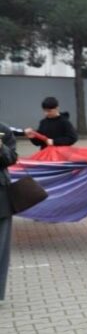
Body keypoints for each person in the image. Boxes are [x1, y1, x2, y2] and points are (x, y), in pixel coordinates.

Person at [0, 114, 17, 302]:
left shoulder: (4, 130)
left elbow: (12, 158)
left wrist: (1, 148)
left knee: (1, 247)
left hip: (1, 196)